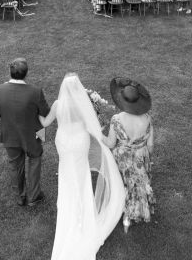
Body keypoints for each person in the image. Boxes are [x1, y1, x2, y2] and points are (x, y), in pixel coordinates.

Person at [39, 74, 125, 260]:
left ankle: (69, 202)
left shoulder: (57, 105)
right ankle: (82, 207)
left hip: (63, 143)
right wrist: (105, 142)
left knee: (66, 172)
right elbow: (94, 128)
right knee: (81, 174)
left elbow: (45, 123)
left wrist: (35, 112)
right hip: (79, 143)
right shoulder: (83, 104)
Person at [0, 58, 50, 208]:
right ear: (26, 74)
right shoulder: (36, 92)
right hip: (35, 133)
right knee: (35, 161)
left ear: (10, 72)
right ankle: (34, 196)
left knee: (15, 166)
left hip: (10, 134)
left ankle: (20, 197)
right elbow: (46, 112)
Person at [104, 77, 154, 234]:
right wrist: (145, 157)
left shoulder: (117, 119)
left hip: (123, 158)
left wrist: (99, 133)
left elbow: (111, 143)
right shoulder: (147, 118)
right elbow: (150, 144)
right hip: (140, 155)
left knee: (125, 184)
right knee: (139, 184)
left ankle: (126, 215)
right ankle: (138, 210)